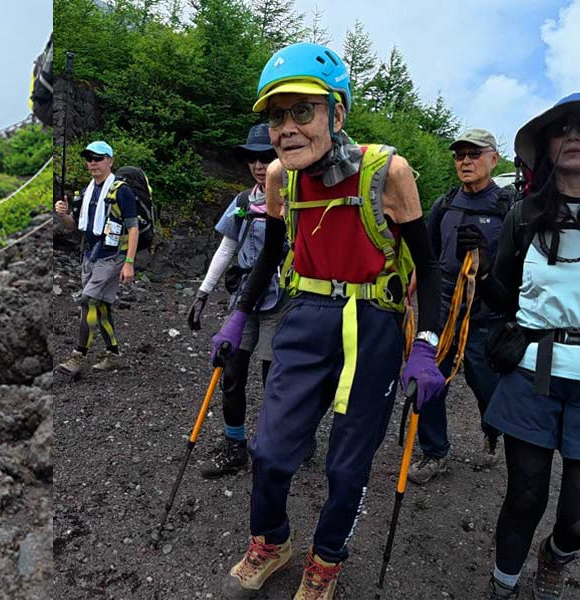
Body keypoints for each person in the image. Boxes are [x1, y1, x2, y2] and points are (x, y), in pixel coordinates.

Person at [212, 43, 446, 599]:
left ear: (336, 114)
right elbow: (271, 255)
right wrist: (238, 316)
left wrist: (425, 345)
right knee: (270, 451)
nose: (286, 129)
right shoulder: (280, 177)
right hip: (306, 316)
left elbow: (430, 265)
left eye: (302, 111)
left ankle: (327, 560)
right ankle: (271, 541)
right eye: (277, 116)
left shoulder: (388, 172)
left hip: (374, 323)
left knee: (347, 465)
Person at [466, 94, 580, 600]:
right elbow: (504, 298)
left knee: (576, 514)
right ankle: (504, 585)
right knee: (525, 495)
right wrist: (479, 271)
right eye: (563, 128)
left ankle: (556, 555)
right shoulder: (525, 216)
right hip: (532, 370)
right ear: (547, 144)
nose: (574, 136)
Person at [408, 128, 517, 485]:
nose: (465, 161)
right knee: (429, 380)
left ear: (493, 159)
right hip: (441, 311)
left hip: (486, 316)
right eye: (460, 155)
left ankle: (492, 431)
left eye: (474, 154)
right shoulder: (445, 204)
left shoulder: (508, 207)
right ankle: (435, 451)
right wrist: (411, 288)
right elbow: (429, 256)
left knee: (486, 387)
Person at [186, 124, 285, 478]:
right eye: (253, 158)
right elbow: (227, 247)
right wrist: (203, 292)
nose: (259, 165)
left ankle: (281, 444)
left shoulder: (293, 201)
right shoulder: (243, 202)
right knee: (231, 372)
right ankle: (235, 445)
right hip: (243, 297)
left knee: (274, 379)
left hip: (280, 299)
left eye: (267, 157)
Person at [54, 140, 137, 377]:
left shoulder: (122, 191)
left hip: (112, 257)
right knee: (101, 306)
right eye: (89, 159)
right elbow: (73, 226)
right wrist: (63, 215)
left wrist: (129, 263)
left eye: (98, 158)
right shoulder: (86, 192)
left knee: (88, 300)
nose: (93, 163)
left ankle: (78, 356)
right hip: (89, 256)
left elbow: (133, 228)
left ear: (110, 161)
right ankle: (113, 354)